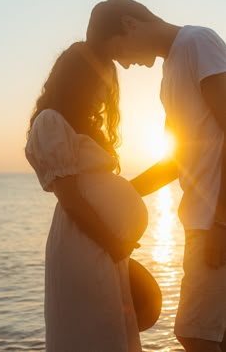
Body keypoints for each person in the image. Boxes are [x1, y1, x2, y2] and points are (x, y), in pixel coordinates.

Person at [86, 0, 226, 351]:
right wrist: (121, 193)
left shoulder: (198, 42)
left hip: (217, 223)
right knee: (218, 335)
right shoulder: (168, 78)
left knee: (194, 333)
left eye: (119, 53)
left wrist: (223, 222)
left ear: (130, 24)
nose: (126, 65)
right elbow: (178, 160)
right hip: (201, 222)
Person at [25, 41, 149, 352]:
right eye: (99, 84)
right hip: (84, 243)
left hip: (104, 245)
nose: (104, 95)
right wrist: (112, 241)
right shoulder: (51, 121)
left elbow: (98, 190)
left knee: (111, 329)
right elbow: (72, 199)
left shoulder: (85, 127)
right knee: (90, 329)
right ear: (78, 81)